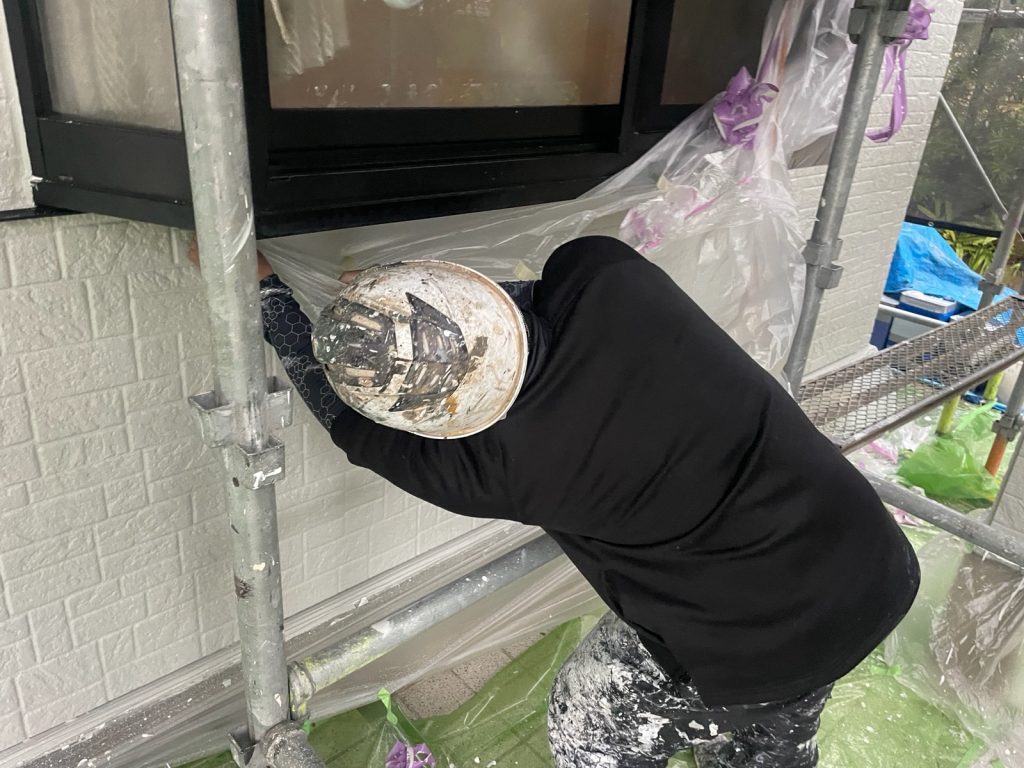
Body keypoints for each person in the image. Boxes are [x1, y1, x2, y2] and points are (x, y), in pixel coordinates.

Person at [190, 236, 920, 767]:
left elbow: (345, 420)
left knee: (590, 726)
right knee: (779, 719)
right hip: (867, 562)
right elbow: (523, 283)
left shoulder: (488, 468)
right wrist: (405, 288)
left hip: (750, 637)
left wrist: (267, 292)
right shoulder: (608, 278)